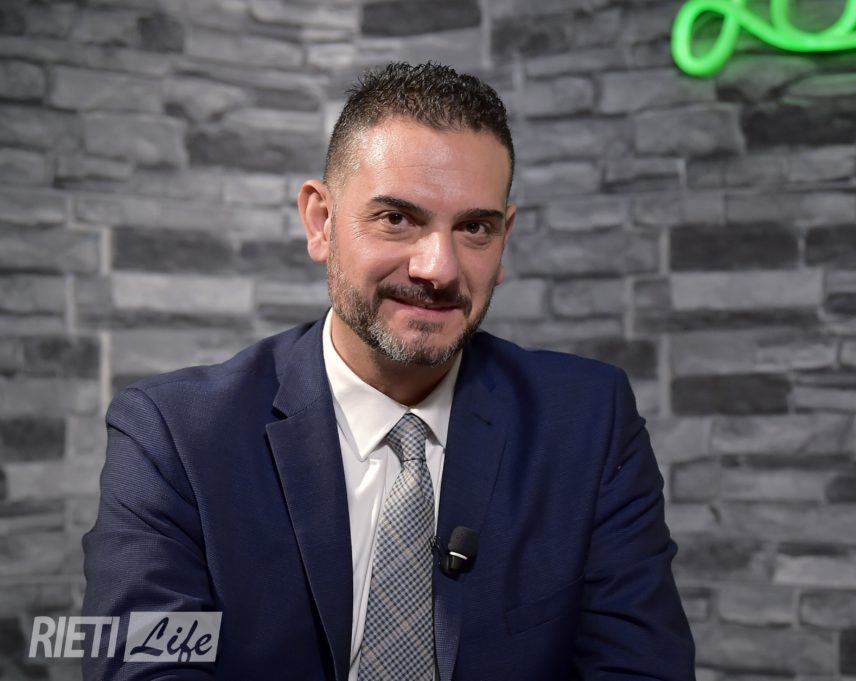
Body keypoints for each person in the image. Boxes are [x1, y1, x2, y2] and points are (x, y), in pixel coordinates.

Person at [82, 62, 695, 681]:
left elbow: (642, 670)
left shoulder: (588, 422)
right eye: (397, 219)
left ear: (504, 238)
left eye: (474, 228)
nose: (439, 268)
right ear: (321, 222)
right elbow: (142, 666)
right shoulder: (175, 435)